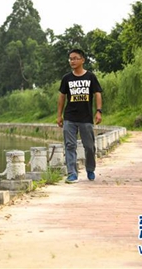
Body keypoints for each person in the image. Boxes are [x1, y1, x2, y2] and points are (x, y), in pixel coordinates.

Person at [57, 48, 103, 183]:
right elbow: (61, 97)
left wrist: (99, 111)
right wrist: (59, 115)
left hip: (86, 118)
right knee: (70, 145)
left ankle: (90, 169)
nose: (73, 61)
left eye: (75, 58)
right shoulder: (66, 78)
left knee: (89, 146)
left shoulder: (90, 77)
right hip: (70, 117)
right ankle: (72, 173)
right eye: (71, 59)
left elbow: (98, 93)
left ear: (82, 60)